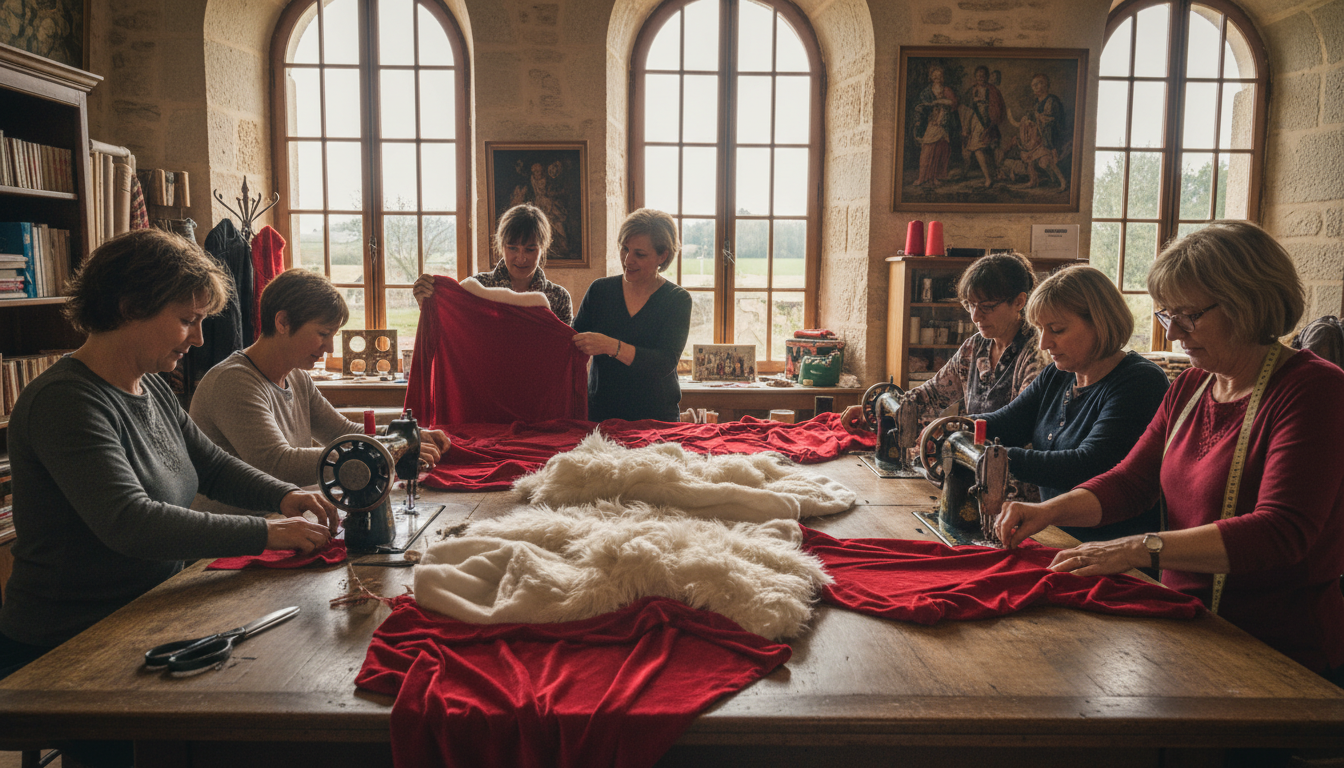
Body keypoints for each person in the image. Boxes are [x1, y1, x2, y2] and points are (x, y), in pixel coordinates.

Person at [996, 221, 1344, 682]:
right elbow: (1133, 481)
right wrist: (1048, 510)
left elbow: (1282, 531)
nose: (1175, 334)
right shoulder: (1193, 386)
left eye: (1190, 316)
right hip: (1192, 626)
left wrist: (1138, 549)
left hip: (1277, 651)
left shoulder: (1313, 390)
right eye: (1167, 316)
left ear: (1248, 302)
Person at [0, 229, 337, 682]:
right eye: (187, 320)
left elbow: (212, 466)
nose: (199, 338)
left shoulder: (152, 385)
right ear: (130, 309)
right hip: (68, 639)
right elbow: (131, 523)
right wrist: (266, 532)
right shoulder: (66, 402)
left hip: (150, 608)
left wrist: (286, 496)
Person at [190, 269, 452, 515]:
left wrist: (404, 435)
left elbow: (340, 431)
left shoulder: (296, 376)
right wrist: (387, 449)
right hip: (231, 545)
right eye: (323, 333)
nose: (329, 348)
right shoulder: (233, 382)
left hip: (277, 522)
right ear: (283, 322)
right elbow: (278, 465)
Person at [970, 266, 1169, 542]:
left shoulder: (1140, 382)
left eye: (1057, 330)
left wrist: (993, 458)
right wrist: (954, 427)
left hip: (1115, 550)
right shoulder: (1059, 374)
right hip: (1058, 538)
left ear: (1100, 323)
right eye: (1040, 330)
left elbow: (1088, 464)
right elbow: (1007, 423)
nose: (1043, 343)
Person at [843, 252, 1044, 433]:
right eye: (970, 305)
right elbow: (931, 395)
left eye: (987, 307)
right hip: (976, 454)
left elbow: (1019, 419)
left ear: (1019, 302)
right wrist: (877, 407)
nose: (975, 317)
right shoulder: (974, 347)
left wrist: (951, 428)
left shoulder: (1037, 354)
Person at [571, 208, 692, 422]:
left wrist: (610, 346)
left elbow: (664, 363)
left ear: (662, 256)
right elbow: (571, 345)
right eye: (624, 249)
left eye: (640, 254)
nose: (627, 260)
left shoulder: (677, 300)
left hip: (656, 416)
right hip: (601, 414)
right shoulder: (599, 291)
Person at [413, 203, 573, 324]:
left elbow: (564, 354)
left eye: (530, 249)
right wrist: (427, 304)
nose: (521, 258)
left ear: (543, 248)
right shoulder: (478, 287)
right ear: (501, 246)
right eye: (513, 248)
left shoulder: (559, 297)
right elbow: (450, 330)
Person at [913, 66, 960, 188]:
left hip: (943, 123)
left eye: (939, 75)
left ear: (942, 77)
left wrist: (940, 102)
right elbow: (921, 107)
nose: (937, 78)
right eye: (935, 75)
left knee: (940, 150)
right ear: (931, 77)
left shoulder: (946, 90)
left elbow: (954, 102)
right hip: (930, 123)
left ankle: (935, 177)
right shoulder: (926, 92)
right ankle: (922, 177)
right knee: (927, 150)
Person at [962, 65, 1005, 188]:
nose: (981, 77)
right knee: (977, 148)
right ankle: (988, 178)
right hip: (975, 124)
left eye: (983, 75)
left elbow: (998, 108)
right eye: (978, 75)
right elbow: (965, 108)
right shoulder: (971, 90)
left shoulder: (992, 90)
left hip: (988, 124)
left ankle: (995, 174)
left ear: (987, 76)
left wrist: (991, 122)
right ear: (975, 77)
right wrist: (966, 128)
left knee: (991, 148)